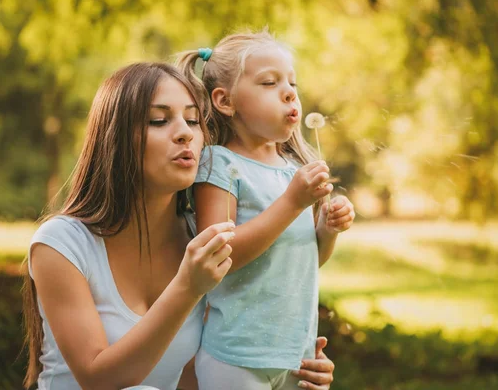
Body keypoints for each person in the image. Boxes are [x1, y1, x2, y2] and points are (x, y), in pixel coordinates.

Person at [22, 62, 335, 390]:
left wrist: (286, 366)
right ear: (113, 137)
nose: (185, 133)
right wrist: (188, 286)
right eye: (159, 120)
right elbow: (98, 379)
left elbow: (197, 376)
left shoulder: (200, 239)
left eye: (192, 120)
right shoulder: (62, 244)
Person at [176, 30, 355, 390]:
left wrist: (326, 229)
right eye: (270, 82)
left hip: (296, 354)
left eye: (292, 83)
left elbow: (306, 260)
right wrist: (292, 203)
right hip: (238, 356)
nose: (290, 92)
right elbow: (220, 257)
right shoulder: (220, 164)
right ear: (226, 102)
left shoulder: (291, 171)